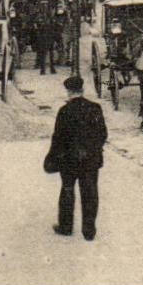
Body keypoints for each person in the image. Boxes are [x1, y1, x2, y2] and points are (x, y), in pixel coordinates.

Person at [46, 75, 107, 240]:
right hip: (90, 159)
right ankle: (89, 231)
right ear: (82, 90)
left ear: (69, 91)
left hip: (69, 159)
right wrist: (92, 150)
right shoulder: (95, 108)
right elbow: (102, 134)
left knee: (67, 189)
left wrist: (52, 156)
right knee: (90, 192)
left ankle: (65, 227)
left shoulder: (64, 111)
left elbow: (58, 137)